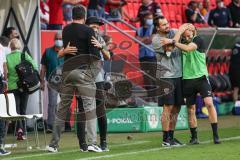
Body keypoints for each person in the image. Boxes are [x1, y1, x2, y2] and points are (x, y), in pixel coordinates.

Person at [46, 5, 102, 153]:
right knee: (90, 108)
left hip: (67, 72)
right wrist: (99, 46)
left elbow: (67, 50)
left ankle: (53, 144)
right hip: (82, 72)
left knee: (62, 109)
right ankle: (92, 143)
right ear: (84, 17)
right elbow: (95, 56)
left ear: (72, 16)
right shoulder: (89, 30)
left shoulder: (65, 30)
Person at [160, 23, 221, 144]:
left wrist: (172, 41)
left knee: (209, 103)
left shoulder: (198, 39)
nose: (186, 29)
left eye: (188, 28)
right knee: (190, 109)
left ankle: (216, 135)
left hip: (201, 77)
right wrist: (174, 40)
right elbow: (169, 51)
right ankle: (194, 138)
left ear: (193, 30)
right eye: (184, 28)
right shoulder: (181, 41)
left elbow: (189, 48)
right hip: (187, 80)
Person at [77, 16, 111, 152]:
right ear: (86, 26)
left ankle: (103, 141)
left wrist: (101, 46)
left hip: (98, 79)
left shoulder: (99, 38)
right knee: (82, 111)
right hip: (83, 77)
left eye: (98, 27)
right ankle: (83, 144)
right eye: (93, 26)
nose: (96, 29)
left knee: (101, 111)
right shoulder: (80, 38)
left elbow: (108, 56)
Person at [152, 16, 184, 147]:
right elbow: (169, 50)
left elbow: (185, 31)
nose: (167, 26)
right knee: (168, 106)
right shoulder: (156, 39)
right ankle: (165, 139)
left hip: (178, 75)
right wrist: (176, 37)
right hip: (165, 76)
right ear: (158, 28)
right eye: (164, 25)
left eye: (167, 23)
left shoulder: (172, 33)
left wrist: (178, 33)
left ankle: (171, 136)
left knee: (177, 106)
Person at [6, 38, 38, 140]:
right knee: (23, 109)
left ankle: (19, 130)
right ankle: (22, 131)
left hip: (12, 86)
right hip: (24, 85)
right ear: (19, 46)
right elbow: (35, 66)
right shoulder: (24, 55)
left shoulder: (7, 57)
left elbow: (6, 73)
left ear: (10, 47)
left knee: (16, 110)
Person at [40, 32, 64, 132]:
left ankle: (64, 125)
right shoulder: (48, 51)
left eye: (61, 38)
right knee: (52, 103)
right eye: (57, 38)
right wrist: (42, 81)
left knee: (65, 103)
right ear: (54, 39)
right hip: (52, 81)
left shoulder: (67, 51)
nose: (59, 40)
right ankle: (50, 126)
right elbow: (43, 68)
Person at [136, 12, 156, 102]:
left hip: (152, 55)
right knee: (146, 77)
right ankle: (150, 96)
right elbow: (136, 40)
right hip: (142, 56)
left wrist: (141, 39)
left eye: (151, 18)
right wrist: (145, 39)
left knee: (153, 76)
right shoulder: (139, 29)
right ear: (144, 19)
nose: (150, 20)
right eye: (148, 18)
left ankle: (156, 96)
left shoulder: (154, 28)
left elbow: (150, 40)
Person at [0, 40, 11, 156]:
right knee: (1, 114)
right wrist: (5, 81)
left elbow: (4, 66)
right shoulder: (2, 49)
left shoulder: (2, 49)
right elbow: (4, 66)